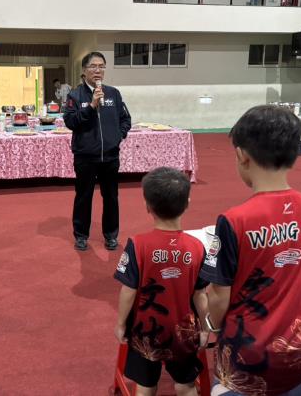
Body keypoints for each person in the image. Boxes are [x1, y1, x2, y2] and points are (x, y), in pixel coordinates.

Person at [200, 105, 301, 396]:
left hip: (246, 353)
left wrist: (211, 326)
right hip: (297, 347)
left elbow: (219, 295)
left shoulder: (235, 220)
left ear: (242, 155)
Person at [113, 167, 209, 396]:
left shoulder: (137, 245)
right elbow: (201, 294)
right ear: (187, 203)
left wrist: (121, 324)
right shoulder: (197, 247)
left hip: (145, 331)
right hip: (183, 331)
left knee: (145, 387)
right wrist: (206, 328)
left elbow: (128, 291)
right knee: (186, 385)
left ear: (147, 206)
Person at [63, 51, 131, 251]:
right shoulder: (75, 95)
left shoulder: (113, 93)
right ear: (84, 70)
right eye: (93, 66)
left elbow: (125, 119)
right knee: (83, 197)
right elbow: (71, 122)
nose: (98, 70)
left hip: (110, 156)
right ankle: (81, 235)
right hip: (85, 157)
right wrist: (91, 106)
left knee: (111, 197)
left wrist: (117, 136)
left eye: (101, 66)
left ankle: (111, 235)